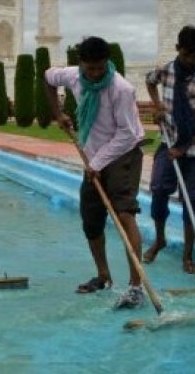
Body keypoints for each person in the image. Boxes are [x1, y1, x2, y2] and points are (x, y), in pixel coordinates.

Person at [44, 36, 146, 309]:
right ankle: (103, 276)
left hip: (124, 154)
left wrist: (98, 163)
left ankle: (136, 287)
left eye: (101, 68)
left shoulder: (120, 89)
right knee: (91, 219)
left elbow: (126, 134)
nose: (96, 74)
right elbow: (47, 78)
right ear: (82, 65)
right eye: (91, 69)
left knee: (124, 213)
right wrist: (58, 113)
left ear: (107, 63)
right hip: (94, 156)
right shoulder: (73, 76)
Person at [143, 25, 195, 274]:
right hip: (168, 142)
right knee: (158, 192)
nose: (190, 60)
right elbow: (149, 81)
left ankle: (187, 256)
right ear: (178, 49)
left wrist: (183, 148)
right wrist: (157, 107)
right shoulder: (166, 71)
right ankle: (159, 239)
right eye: (187, 55)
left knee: (192, 202)